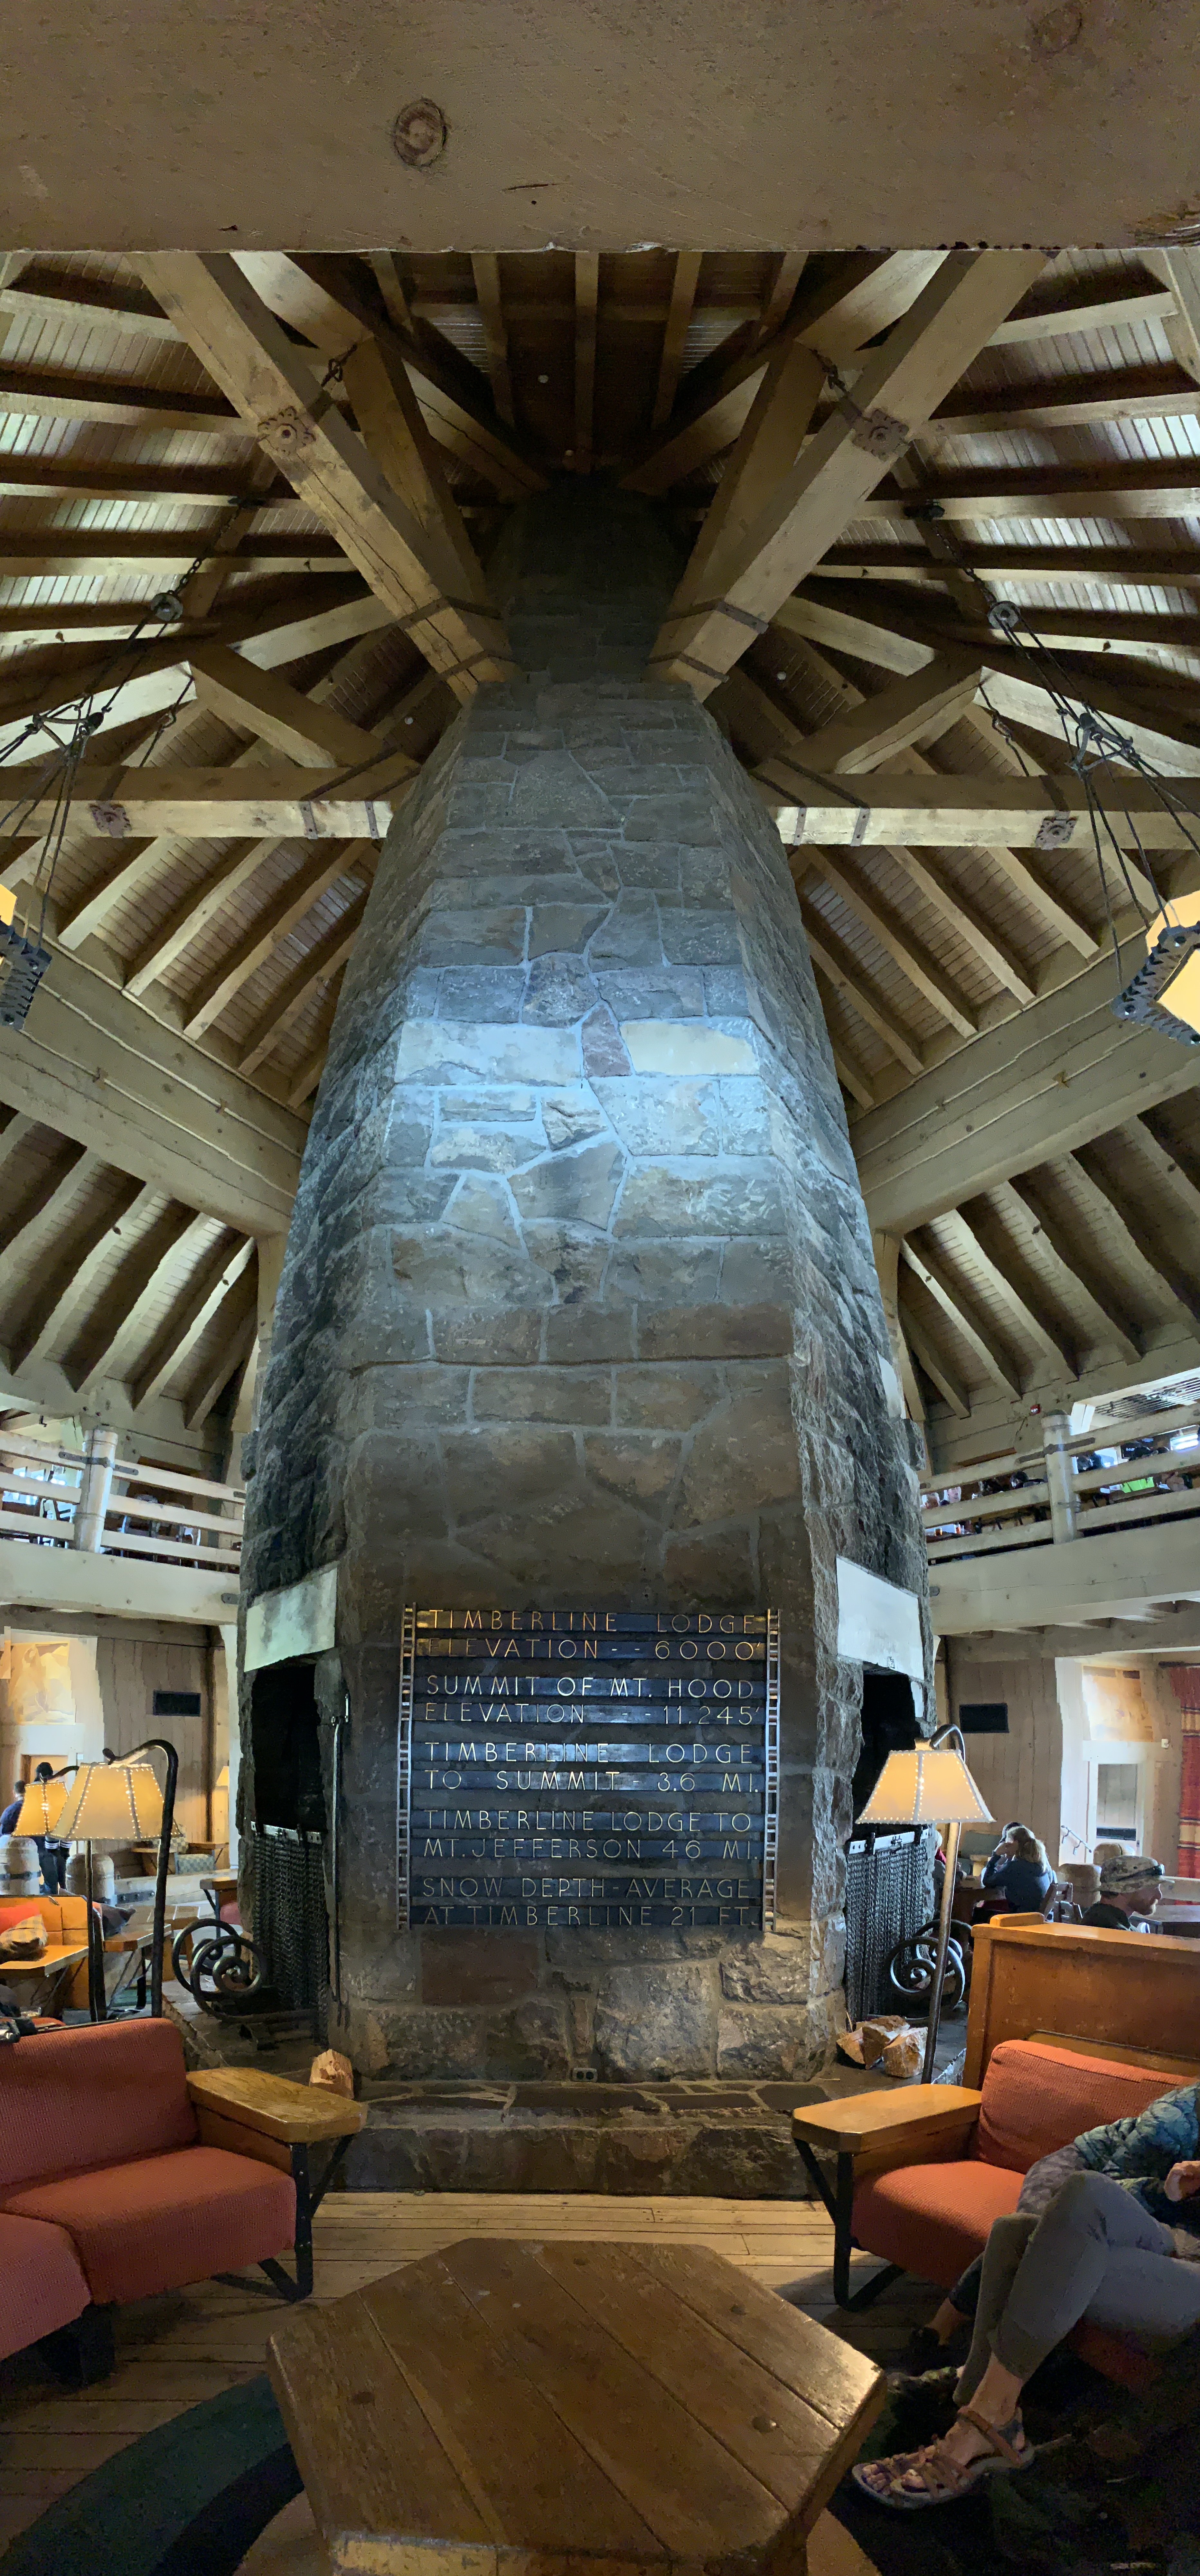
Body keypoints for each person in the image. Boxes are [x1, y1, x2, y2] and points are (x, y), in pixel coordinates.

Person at [855, 2076, 1200, 2509]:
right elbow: (1113, 2177)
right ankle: (980, 2414)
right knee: (1020, 2228)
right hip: (1158, 2232)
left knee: (1041, 2238)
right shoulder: (1183, 2109)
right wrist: (1173, 2187)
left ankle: (980, 2423)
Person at [974, 1822, 1054, 1918]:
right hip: (1035, 1917)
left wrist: (996, 1855)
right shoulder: (1040, 1864)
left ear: (1015, 1843)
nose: (1005, 1847)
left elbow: (987, 1881)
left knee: (977, 1915)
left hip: (1023, 1920)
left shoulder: (1016, 1866)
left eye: (1007, 1844)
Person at [1082, 1851, 1165, 1931]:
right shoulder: (1108, 1930)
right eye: (1152, 1888)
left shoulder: (1112, 1922)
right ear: (1123, 1889)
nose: (1159, 1896)